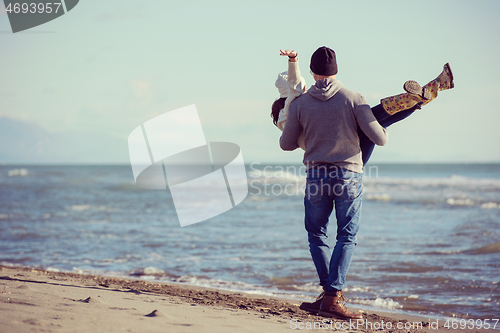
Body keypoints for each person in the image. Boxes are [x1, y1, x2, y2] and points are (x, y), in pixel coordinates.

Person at [278, 46, 453, 320]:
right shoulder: (353, 98)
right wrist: (369, 130)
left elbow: (286, 144)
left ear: (312, 73)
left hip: (316, 176)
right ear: (336, 70)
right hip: (348, 175)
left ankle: (328, 296)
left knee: (317, 235)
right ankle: (333, 298)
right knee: (346, 236)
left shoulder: (299, 104)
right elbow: (380, 139)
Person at [273, 49, 454, 165]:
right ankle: (420, 97)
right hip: (345, 156)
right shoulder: (295, 104)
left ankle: (424, 95)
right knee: (372, 116)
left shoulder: (288, 112)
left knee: (376, 120)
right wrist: (293, 59)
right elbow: (295, 85)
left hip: (342, 157)